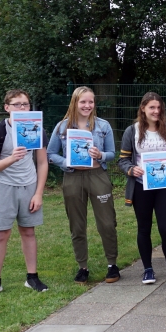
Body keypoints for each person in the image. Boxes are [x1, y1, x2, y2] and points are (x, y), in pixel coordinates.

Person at [0, 90, 49, 299]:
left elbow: (43, 162)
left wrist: (38, 193)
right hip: (3, 187)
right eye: (16, 105)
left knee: (28, 232)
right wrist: (11, 158)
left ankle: (32, 277)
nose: (22, 108)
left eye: (25, 104)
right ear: (7, 108)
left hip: (29, 186)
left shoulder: (37, 128)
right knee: (1, 235)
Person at [47, 86, 119, 283]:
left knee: (107, 223)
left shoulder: (103, 126)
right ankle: (82, 267)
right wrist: (65, 162)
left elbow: (113, 153)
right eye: (83, 102)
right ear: (75, 103)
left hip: (97, 176)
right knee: (77, 224)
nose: (87, 105)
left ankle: (112, 264)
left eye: (91, 102)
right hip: (73, 178)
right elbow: (50, 153)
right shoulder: (62, 127)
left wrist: (101, 155)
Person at [118, 92, 166, 284]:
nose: (156, 111)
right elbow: (123, 160)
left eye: (158, 107)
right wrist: (131, 169)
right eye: (151, 108)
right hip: (141, 187)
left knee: (165, 227)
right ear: (143, 109)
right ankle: (148, 269)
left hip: (165, 186)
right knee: (144, 228)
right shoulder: (133, 131)